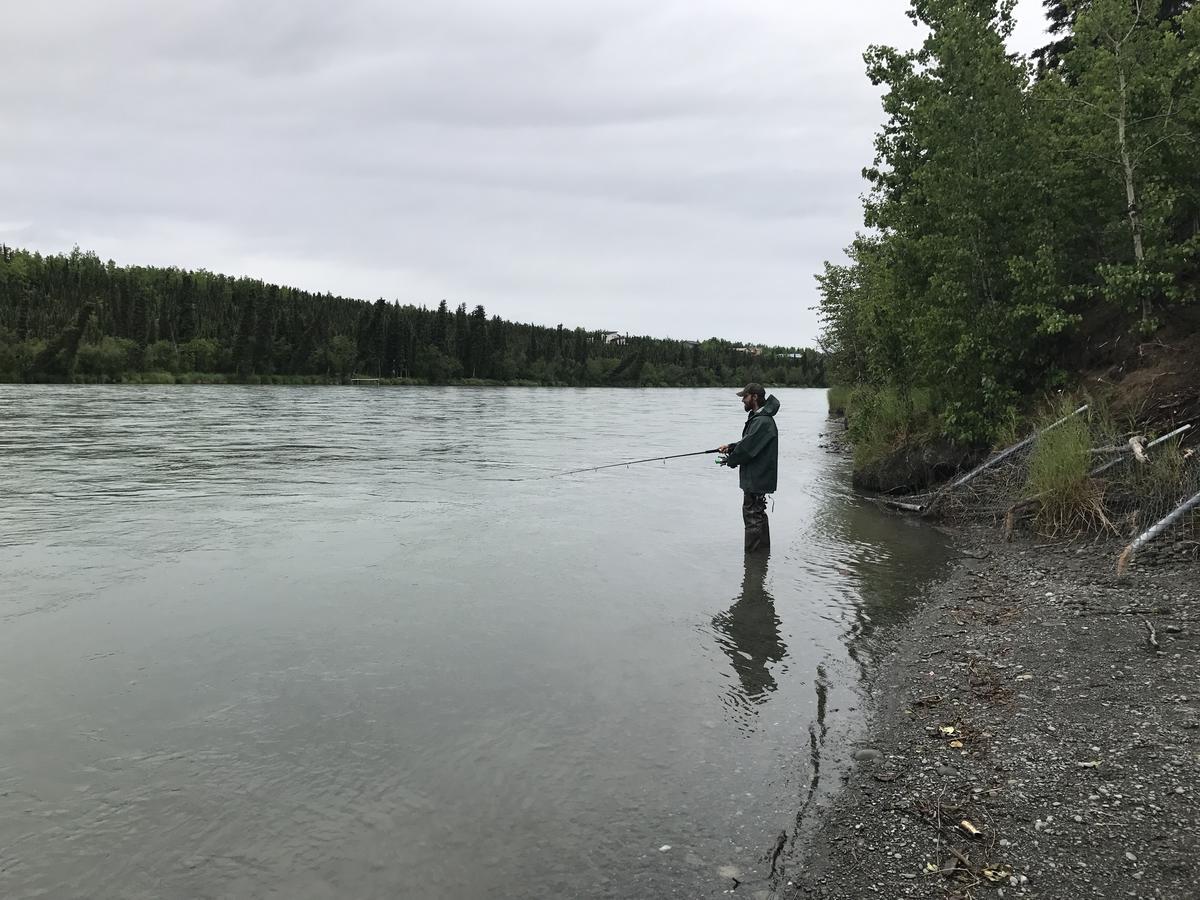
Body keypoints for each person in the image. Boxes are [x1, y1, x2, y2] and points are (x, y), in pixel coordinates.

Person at [718, 383, 779, 553]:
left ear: (754, 397)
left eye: (744, 397)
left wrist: (731, 460)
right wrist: (731, 447)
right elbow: (748, 443)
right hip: (758, 477)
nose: (743, 401)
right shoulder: (760, 418)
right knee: (758, 515)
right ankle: (761, 558)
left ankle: (753, 560)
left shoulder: (763, 421)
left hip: (756, 478)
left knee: (752, 517)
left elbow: (747, 449)